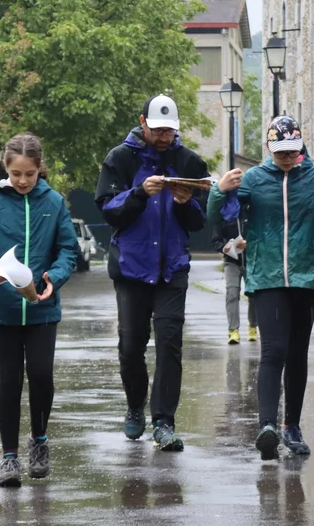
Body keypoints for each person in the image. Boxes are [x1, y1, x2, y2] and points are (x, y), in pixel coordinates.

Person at [209, 115, 314, 460]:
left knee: (297, 354)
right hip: (266, 277)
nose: (286, 157)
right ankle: (267, 426)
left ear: (300, 147)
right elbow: (217, 216)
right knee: (273, 351)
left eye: (292, 151)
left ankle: (291, 427)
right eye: (280, 152)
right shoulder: (253, 179)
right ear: (269, 148)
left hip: (305, 278)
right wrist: (219, 191)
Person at [94, 94, 210, 451]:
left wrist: (185, 203)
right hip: (132, 268)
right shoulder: (120, 158)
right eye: (157, 130)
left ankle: (164, 421)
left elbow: (200, 220)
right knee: (131, 347)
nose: (163, 137)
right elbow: (108, 210)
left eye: (169, 131)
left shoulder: (189, 162)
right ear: (142, 122)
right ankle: (135, 406)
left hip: (172, 268)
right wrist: (139, 193)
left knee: (170, 344)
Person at [0, 133, 78, 487]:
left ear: (40, 168)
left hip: (42, 306)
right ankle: (9, 458)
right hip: (3, 309)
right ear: (6, 168)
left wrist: (54, 277)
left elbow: (68, 250)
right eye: (16, 174)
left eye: (29, 173)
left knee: (41, 375)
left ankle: (39, 441)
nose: (23, 180)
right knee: (10, 379)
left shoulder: (54, 202)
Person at [212, 210, 257, 344]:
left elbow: (262, 235)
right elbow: (216, 241)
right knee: (232, 294)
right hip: (231, 261)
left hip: (251, 261)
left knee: (254, 294)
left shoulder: (251, 211)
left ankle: (253, 326)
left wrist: (249, 243)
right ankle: (233, 331)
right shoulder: (223, 213)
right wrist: (228, 247)